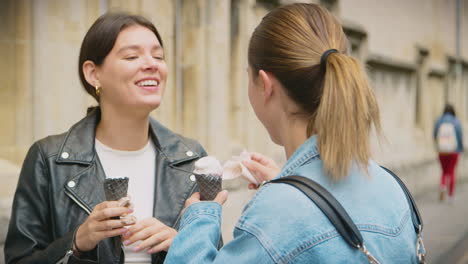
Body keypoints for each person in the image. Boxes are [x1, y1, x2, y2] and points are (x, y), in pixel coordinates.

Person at [164, 3, 419, 263]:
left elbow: (292, 228)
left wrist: (199, 218)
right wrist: (294, 186)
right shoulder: (391, 186)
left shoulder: (276, 215)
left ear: (265, 85)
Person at [5, 12, 206, 264]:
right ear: (93, 74)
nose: (151, 64)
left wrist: (180, 244)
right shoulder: (49, 159)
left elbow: (218, 255)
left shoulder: (191, 159)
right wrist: (77, 241)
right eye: (132, 56)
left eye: (158, 56)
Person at [433, 104, 463, 202]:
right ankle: (450, 196)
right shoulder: (456, 121)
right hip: (454, 151)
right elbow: (459, 136)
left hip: (442, 151)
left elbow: (434, 134)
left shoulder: (439, 120)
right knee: (451, 172)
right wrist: (460, 148)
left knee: (444, 171)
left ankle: (442, 186)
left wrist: (437, 145)